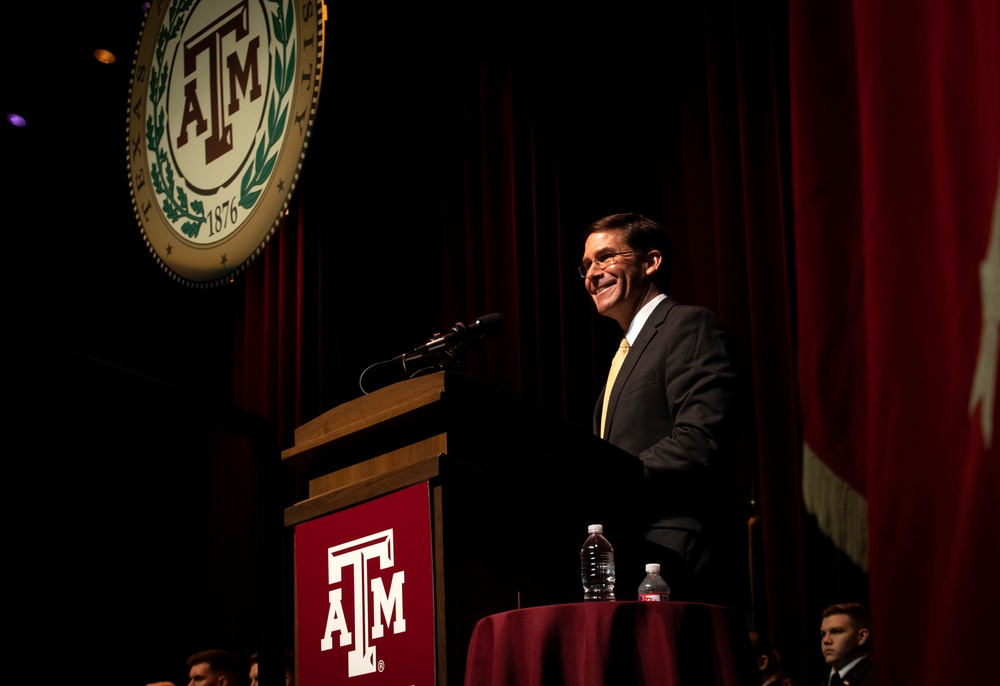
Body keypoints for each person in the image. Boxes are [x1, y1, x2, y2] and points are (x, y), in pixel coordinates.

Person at [580, 212, 742, 607]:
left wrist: (611, 477)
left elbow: (699, 440)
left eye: (605, 258)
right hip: (629, 553)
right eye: (585, 266)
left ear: (651, 262)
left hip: (677, 553)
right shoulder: (622, 356)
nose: (592, 274)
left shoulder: (687, 325)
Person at [817, 602, 875, 685]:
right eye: (823, 634)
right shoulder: (825, 683)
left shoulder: (877, 680)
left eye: (836, 631)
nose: (826, 640)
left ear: (862, 636)